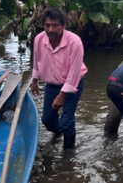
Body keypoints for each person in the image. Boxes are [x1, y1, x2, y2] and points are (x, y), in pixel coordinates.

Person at [31, 9, 88, 151]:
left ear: (64, 26)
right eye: (47, 25)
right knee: (47, 120)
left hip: (73, 84)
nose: (50, 29)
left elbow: (75, 72)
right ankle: (59, 133)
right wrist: (35, 81)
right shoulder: (39, 39)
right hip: (51, 84)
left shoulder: (75, 42)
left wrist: (63, 95)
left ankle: (68, 156)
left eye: (55, 25)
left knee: (67, 121)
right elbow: (36, 60)